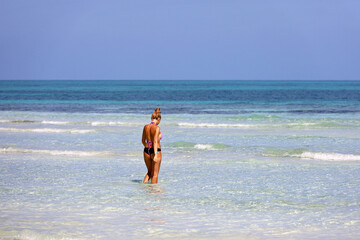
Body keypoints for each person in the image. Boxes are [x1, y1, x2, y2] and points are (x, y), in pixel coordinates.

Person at [142, 108, 162, 184]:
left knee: (149, 173)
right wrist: (156, 152)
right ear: (158, 118)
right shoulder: (157, 128)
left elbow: (143, 141)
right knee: (155, 175)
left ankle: (144, 188)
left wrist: (148, 148)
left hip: (146, 150)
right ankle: (153, 193)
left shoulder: (145, 127)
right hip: (155, 150)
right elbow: (155, 141)